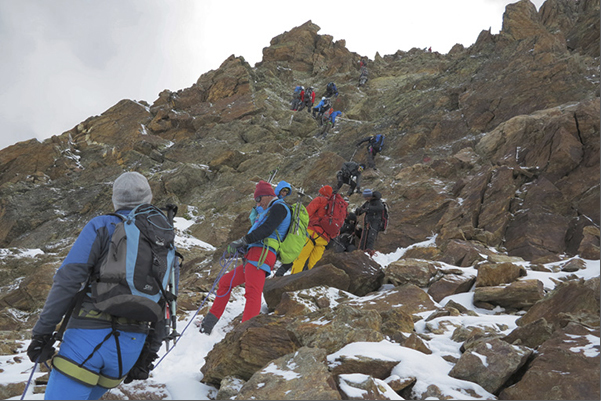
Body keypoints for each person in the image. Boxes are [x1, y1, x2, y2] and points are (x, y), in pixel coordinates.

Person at [26, 172, 168, 400]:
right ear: (149, 199)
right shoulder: (161, 237)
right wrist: (149, 352)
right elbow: (166, 299)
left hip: (86, 343)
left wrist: (42, 333)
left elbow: (68, 280)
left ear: (115, 199)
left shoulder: (101, 226)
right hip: (129, 349)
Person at [200, 180, 291, 335]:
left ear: (267, 195)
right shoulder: (270, 209)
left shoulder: (280, 208)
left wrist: (244, 241)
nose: (258, 203)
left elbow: (266, 229)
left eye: (258, 199)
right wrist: (245, 246)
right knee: (225, 282)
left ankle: (245, 334)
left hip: (262, 254)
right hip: (256, 255)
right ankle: (207, 324)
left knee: (252, 293)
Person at [289, 185, 339, 274]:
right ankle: (312, 282)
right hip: (324, 238)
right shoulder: (334, 207)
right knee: (315, 264)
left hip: (312, 233)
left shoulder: (319, 200)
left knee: (300, 259)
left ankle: (292, 281)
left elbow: (307, 213)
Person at [355, 189, 385, 256]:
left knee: (370, 237)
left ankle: (369, 251)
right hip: (368, 222)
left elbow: (380, 208)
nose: (365, 198)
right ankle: (361, 251)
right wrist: (358, 211)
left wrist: (368, 209)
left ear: (369, 196)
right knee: (364, 237)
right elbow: (362, 209)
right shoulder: (368, 202)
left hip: (375, 222)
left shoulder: (377, 201)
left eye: (365, 197)